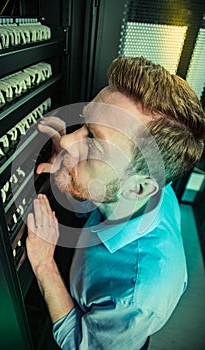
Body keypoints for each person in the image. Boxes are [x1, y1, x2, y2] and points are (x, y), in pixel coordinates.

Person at [26, 56, 205, 350]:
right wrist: (73, 164)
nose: (68, 141)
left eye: (95, 141)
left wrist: (44, 264)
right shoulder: (146, 183)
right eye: (84, 123)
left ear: (137, 189)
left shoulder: (142, 294)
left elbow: (82, 342)